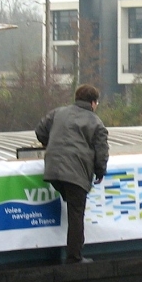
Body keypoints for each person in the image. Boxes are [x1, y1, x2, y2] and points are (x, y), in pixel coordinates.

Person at [35, 84, 109, 264]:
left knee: (72, 204)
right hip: (76, 174)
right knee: (76, 213)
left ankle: (71, 252)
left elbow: (40, 132)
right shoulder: (96, 122)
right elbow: (102, 151)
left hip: (52, 171)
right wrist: (100, 172)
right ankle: (74, 257)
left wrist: (52, 143)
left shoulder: (57, 113)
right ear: (93, 103)